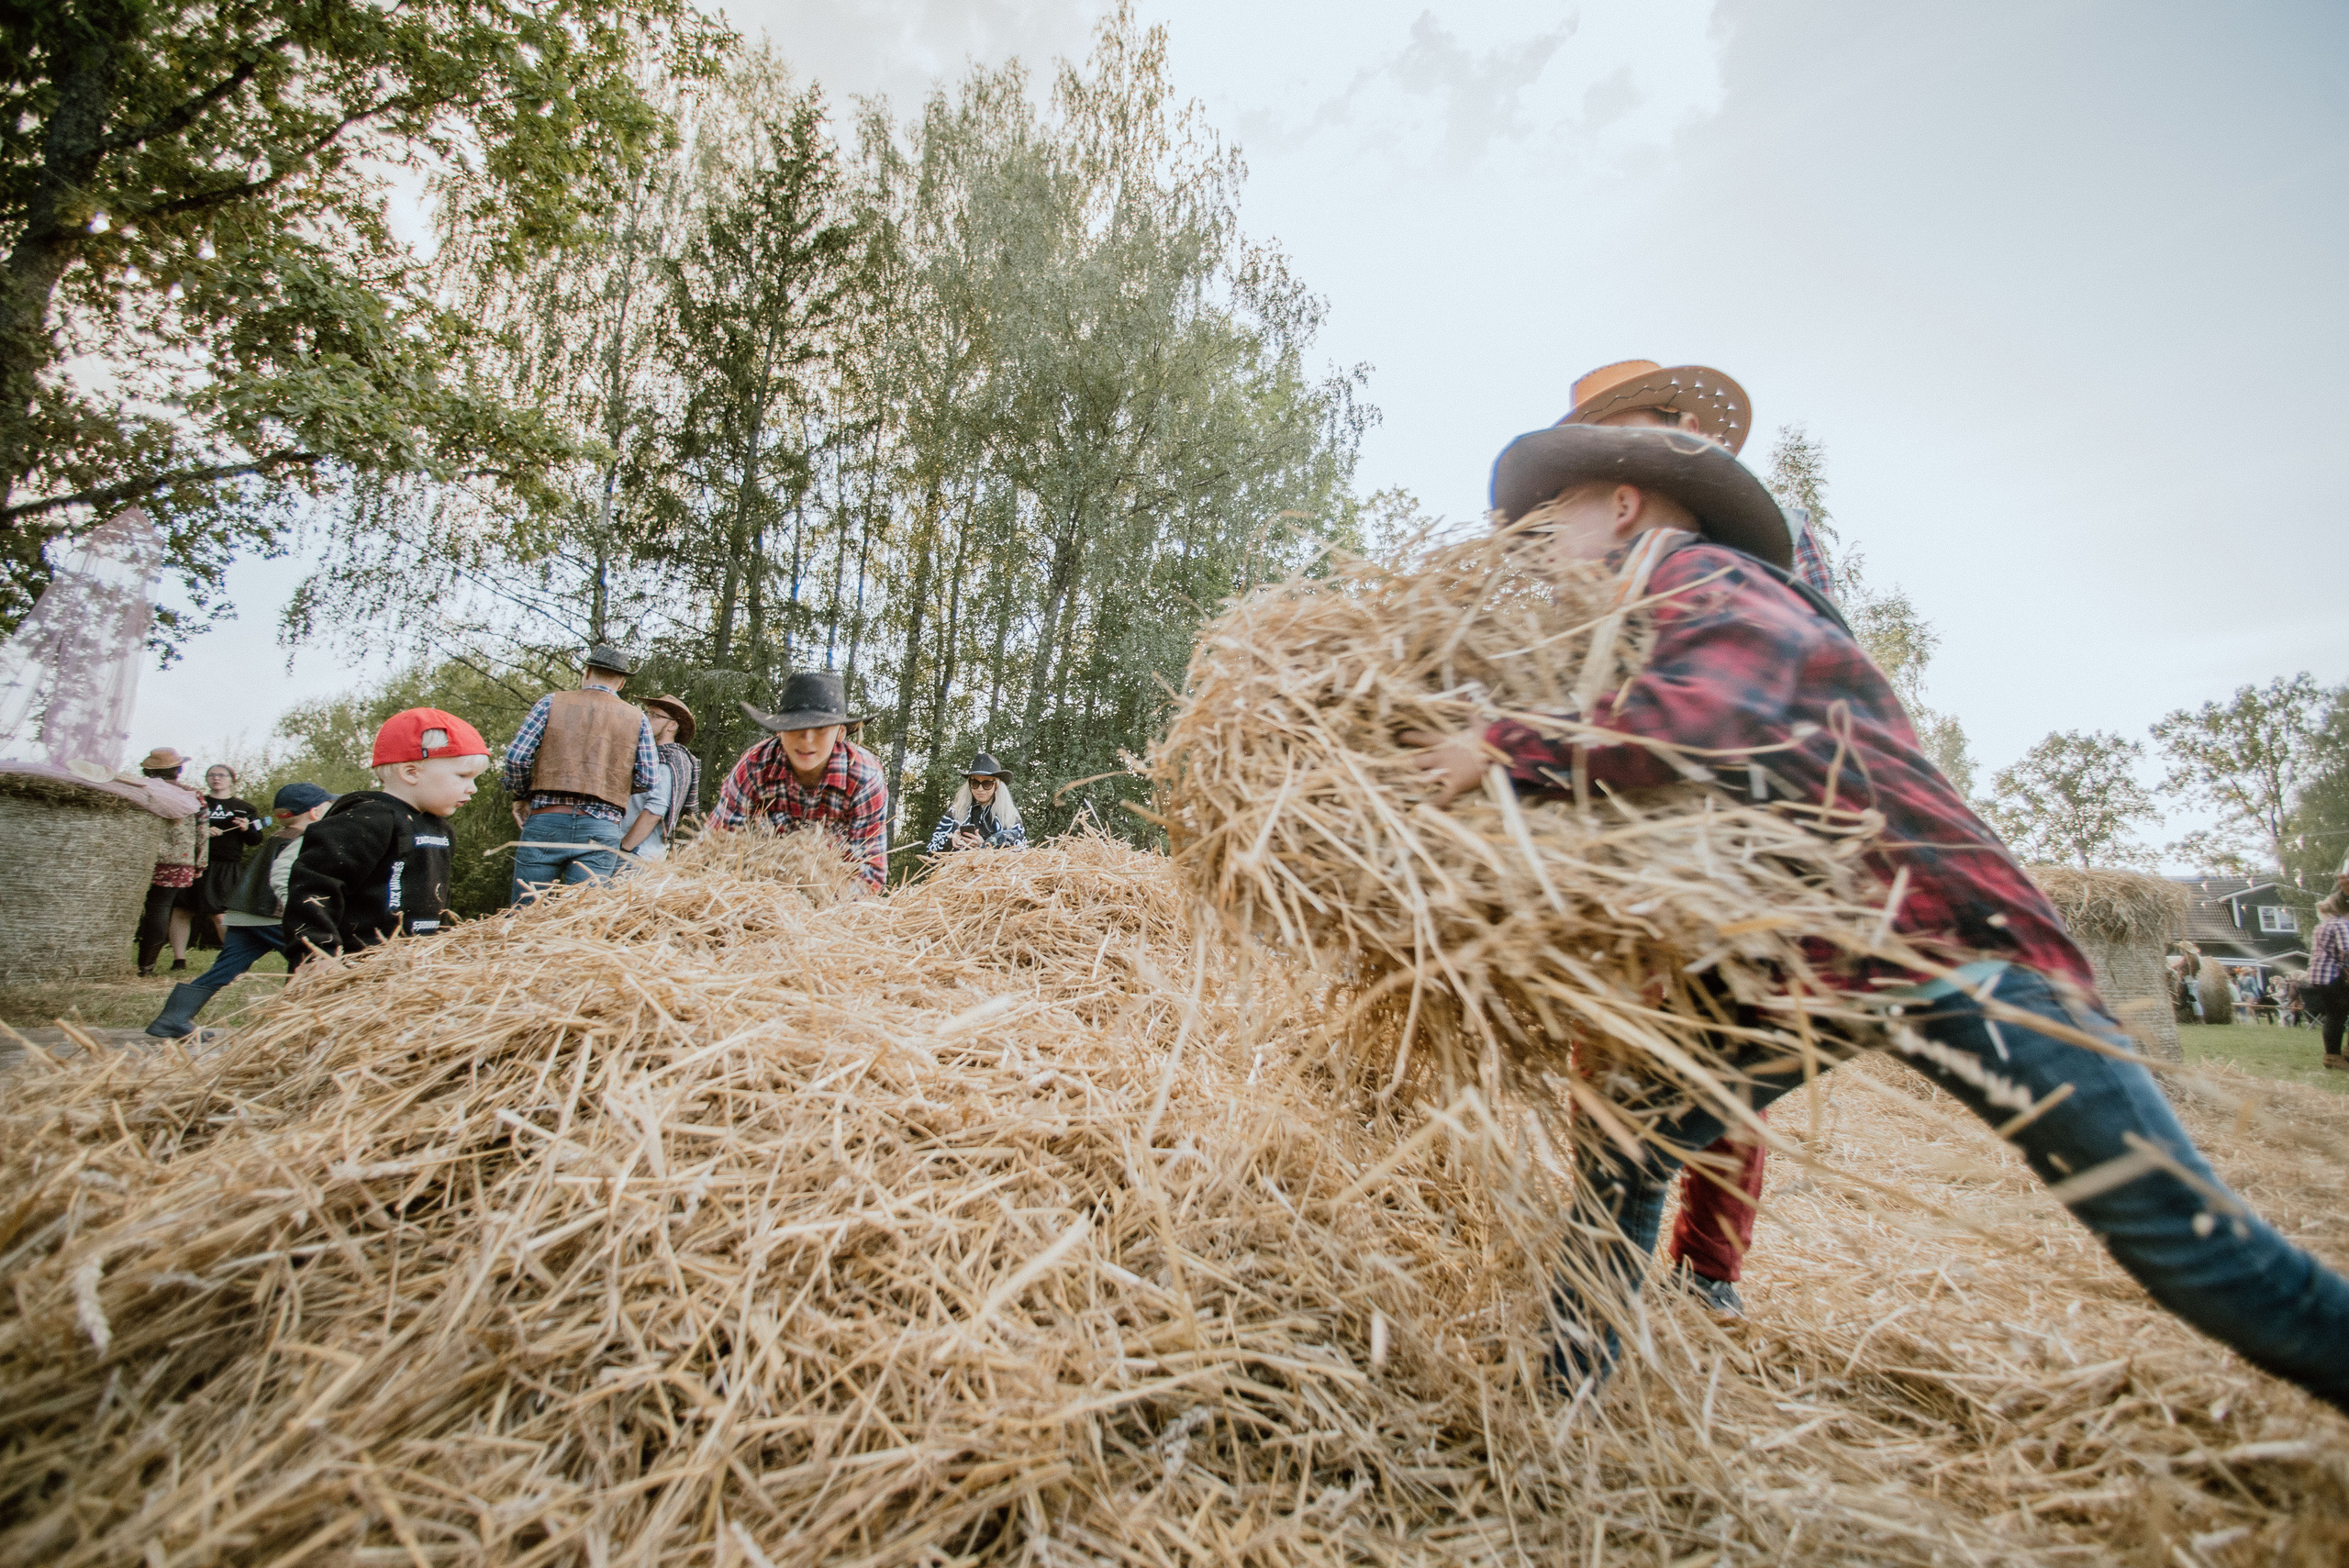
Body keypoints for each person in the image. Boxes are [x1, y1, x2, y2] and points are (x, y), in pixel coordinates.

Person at [1405, 418, 2349, 1412]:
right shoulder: (1643, 626)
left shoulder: (1710, 580)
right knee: (1629, 1134)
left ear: (1624, 506)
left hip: (1957, 940)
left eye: (1555, 519)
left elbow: (1709, 722)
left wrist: (1504, 744)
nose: (1543, 547)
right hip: (1828, 959)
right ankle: (1564, 1400)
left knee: (2181, 1235)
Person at [1553, 359, 1840, 1317]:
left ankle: (1708, 1271)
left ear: (1664, 426)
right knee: (1612, 1030)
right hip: (1630, 813)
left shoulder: (1765, 530)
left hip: (1739, 816)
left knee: (1724, 1045)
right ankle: (1597, 1273)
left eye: (1616, 430)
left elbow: (1812, 652)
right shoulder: (1594, 531)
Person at [285, 709, 487, 969]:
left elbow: (438, 901)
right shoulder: (367, 818)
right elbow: (315, 887)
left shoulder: (441, 830)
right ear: (411, 772)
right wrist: (314, 953)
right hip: (356, 968)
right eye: (463, 776)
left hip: (412, 967)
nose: (473, 788)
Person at [143, 784, 336, 1038]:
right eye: (328, 806)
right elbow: (283, 879)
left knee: (225, 969)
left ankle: (173, 1018)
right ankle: (291, 1024)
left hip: (244, 914)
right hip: (272, 915)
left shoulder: (279, 836)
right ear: (315, 812)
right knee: (313, 960)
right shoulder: (306, 839)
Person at [502, 646, 657, 902]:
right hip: (601, 828)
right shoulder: (637, 718)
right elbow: (649, 778)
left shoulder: (551, 702)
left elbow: (516, 757)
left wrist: (521, 794)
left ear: (586, 672)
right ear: (620, 682)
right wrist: (610, 786)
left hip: (546, 821)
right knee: (583, 921)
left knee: (525, 916)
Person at [709, 671, 887, 892]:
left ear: (840, 733)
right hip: (755, 893)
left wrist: (810, 906)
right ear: (779, 729)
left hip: (831, 905)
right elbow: (715, 843)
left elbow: (870, 874)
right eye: (796, 727)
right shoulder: (755, 766)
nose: (807, 740)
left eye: (821, 729)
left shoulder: (864, 778)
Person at [134, 747, 207, 974]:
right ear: (178, 770)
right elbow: (202, 831)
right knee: (160, 907)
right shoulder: (192, 795)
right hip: (178, 860)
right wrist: (200, 862)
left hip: (138, 857)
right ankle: (146, 967)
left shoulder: (138, 790)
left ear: (148, 771)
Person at [188, 763, 265, 946]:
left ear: (232, 780)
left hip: (226, 865)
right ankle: (179, 959)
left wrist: (247, 829)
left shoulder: (246, 808)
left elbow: (256, 839)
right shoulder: (195, 804)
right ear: (206, 778)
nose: (216, 778)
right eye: (212, 774)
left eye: (222, 775)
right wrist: (202, 831)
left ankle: (230, 953)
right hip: (194, 862)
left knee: (220, 912)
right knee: (182, 909)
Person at [618, 695, 698, 863]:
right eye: (646, 713)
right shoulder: (650, 757)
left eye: (654, 715)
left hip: (636, 855)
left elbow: (655, 810)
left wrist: (624, 847)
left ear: (672, 725)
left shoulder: (670, 759)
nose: (646, 719)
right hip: (634, 853)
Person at [925, 752, 1026, 855]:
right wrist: (950, 842)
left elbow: (1023, 853)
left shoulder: (1010, 816)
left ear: (997, 785)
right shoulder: (955, 812)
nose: (980, 789)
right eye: (975, 783)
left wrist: (986, 846)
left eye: (987, 784)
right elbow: (931, 851)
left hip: (995, 870)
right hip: (960, 869)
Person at [2308, 893, 2349, 1072]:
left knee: (2332, 1014)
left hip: (2317, 976)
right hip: (2331, 975)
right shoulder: (2340, 924)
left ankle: (2334, 1055)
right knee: (2337, 1015)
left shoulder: (2322, 926)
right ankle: (2334, 1056)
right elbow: (2346, 950)